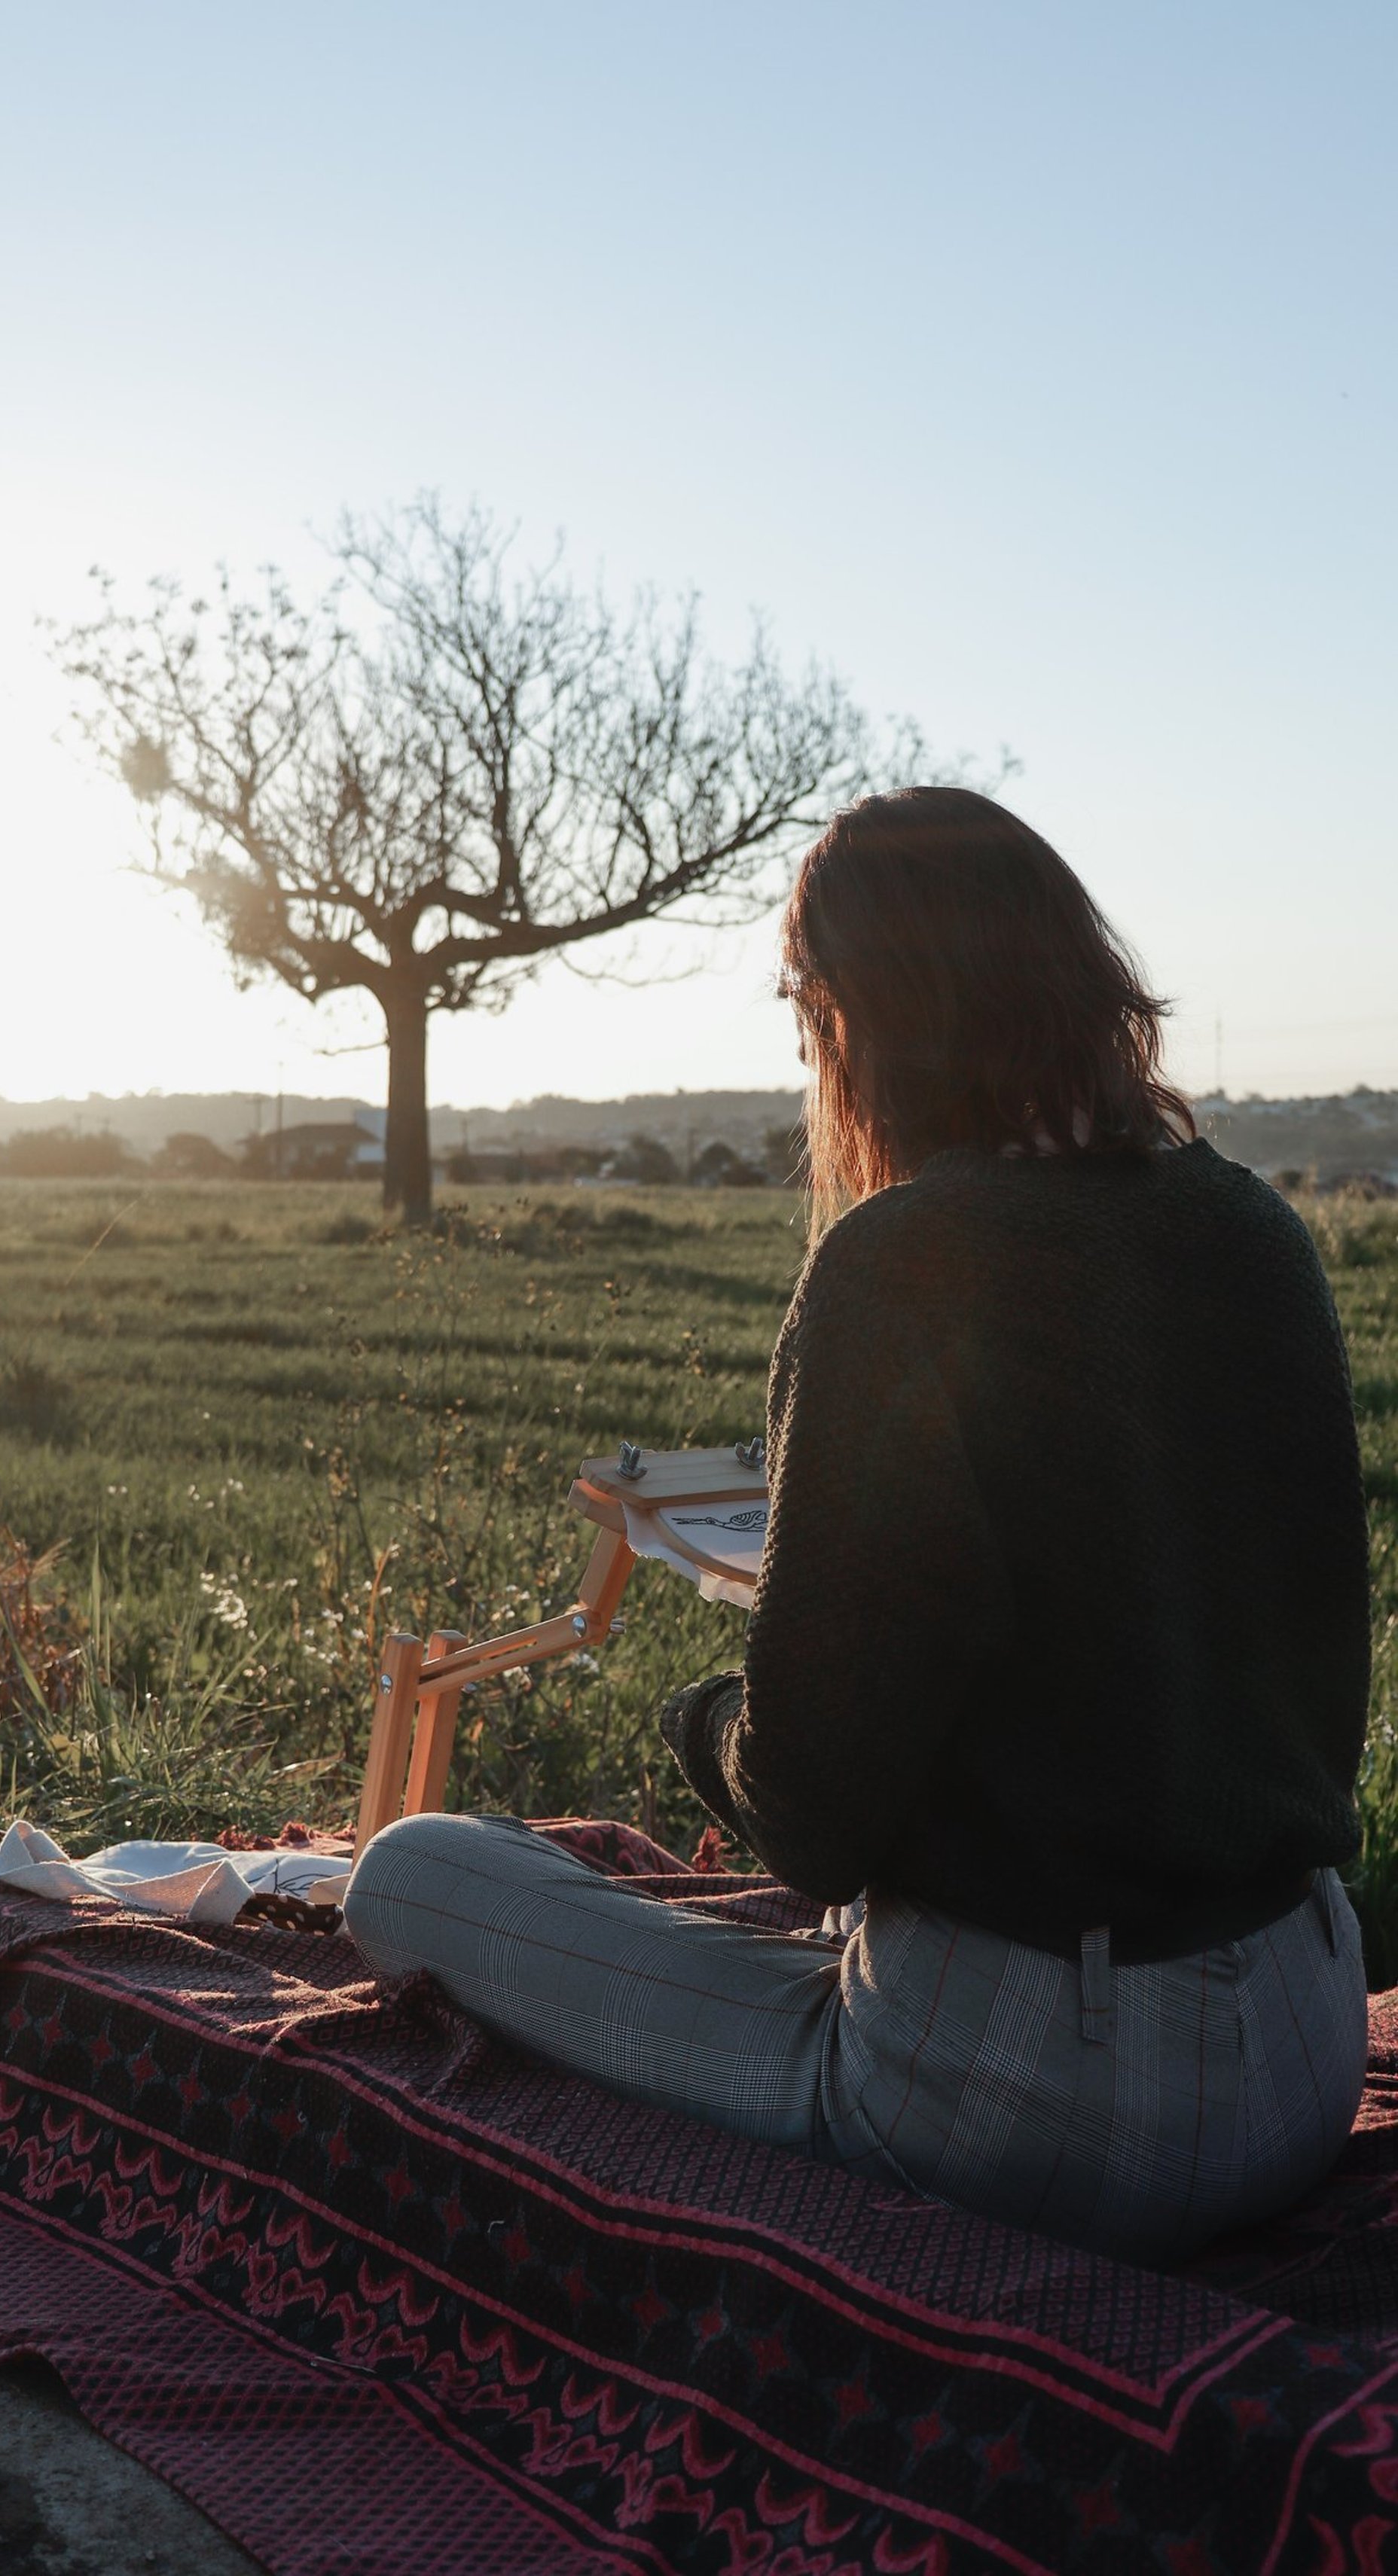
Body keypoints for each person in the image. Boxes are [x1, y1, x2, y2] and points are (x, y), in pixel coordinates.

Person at [343, 787, 1371, 2264]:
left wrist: (706, 1723)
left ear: (849, 1017)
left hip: (1047, 2096)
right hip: (1306, 2027)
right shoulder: (1259, 1233)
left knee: (411, 1872)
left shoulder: (905, 1265)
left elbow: (816, 1825)